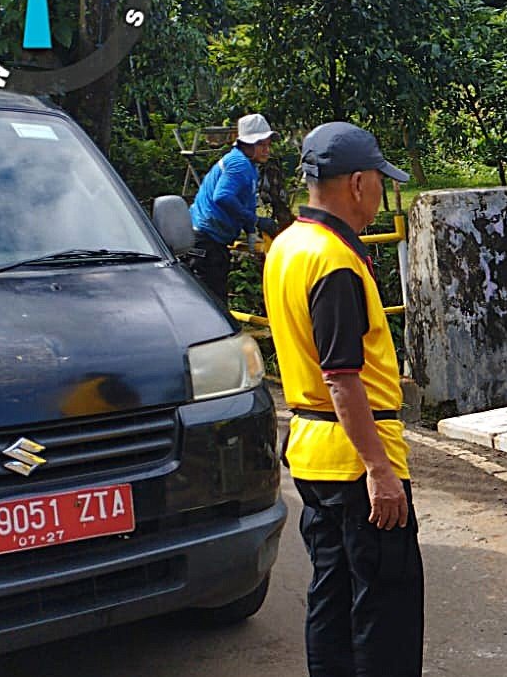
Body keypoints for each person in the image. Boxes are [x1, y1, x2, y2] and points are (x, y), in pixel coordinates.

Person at [262, 121, 421, 677]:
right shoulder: (333, 260)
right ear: (357, 184)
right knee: (385, 612)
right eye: (380, 180)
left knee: (331, 600)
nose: (382, 191)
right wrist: (379, 468)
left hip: (312, 453)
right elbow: (342, 376)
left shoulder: (287, 246)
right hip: (357, 460)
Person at [188, 113, 278, 301]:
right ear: (247, 144)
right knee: (212, 304)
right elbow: (223, 196)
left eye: (268, 144)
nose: (267, 150)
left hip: (208, 239)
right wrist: (256, 221)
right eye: (262, 145)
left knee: (211, 301)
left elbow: (244, 201)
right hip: (207, 240)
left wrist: (251, 231)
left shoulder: (247, 165)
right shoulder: (239, 164)